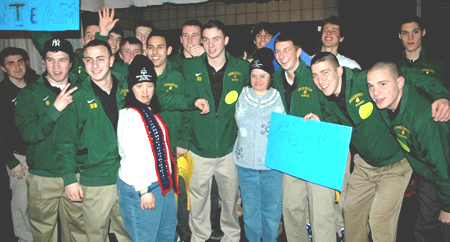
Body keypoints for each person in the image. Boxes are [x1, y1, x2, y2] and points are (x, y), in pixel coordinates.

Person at [308, 52, 450, 242]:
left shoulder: (364, 81)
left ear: (339, 71)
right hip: (364, 164)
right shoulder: (325, 96)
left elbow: (409, 75)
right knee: (350, 213)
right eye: (315, 75)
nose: (320, 80)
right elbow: (335, 121)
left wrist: (441, 95)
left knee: (379, 221)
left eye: (325, 72)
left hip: (395, 165)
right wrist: (320, 121)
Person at [181, 19, 249, 242]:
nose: (211, 45)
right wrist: (193, 101)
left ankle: (231, 237)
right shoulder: (189, 67)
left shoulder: (242, 68)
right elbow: (179, 99)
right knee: (198, 201)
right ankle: (199, 237)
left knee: (230, 201)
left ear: (226, 40)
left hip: (229, 149)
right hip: (199, 149)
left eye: (216, 39)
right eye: (206, 40)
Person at [366, 61, 450, 241]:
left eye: (382, 84)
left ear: (400, 83)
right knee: (425, 228)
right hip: (428, 174)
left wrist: (447, 207)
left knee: (445, 228)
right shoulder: (387, 104)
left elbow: (444, 168)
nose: (376, 93)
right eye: (371, 86)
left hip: (444, 175)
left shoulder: (422, 119)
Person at [56, 39, 131, 242]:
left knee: (129, 232)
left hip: (127, 177)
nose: (95, 65)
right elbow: (65, 141)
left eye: (100, 59)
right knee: (95, 235)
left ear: (112, 60)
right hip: (95, 179)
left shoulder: (127, 90)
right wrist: (69, 179)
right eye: (89, 60)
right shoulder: (76, 96)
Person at [14, 39, 84, 242]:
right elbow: (29, 134)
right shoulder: (29, 94)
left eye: (62, 60)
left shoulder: (82, 92)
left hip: (76, 173)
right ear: (43, 62)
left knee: (78, 232)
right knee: (43, 234)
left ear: (71, 63)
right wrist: (54, 110)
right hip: (42, 177)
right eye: (50, 60)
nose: (56, 66)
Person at [146, 30, 210, 242]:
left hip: (175, 149)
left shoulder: (177, 76)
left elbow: (188, 113)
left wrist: (183, 141)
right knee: (155, 196)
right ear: (146, 50)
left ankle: (184, 234)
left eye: (160, 47)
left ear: (169, 50)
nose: (155, 52)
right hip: (149, 152)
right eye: (151, 47)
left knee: (180, 195)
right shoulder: (140, 78)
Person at [272, 32, 335, 242]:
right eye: (278, 51)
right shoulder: (277, 79)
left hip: (317, 149)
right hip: (291, 151)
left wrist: (321, 119)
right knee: (291, 208)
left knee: (321, 212)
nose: (282, 55)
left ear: (298, 52)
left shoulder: (314, 76)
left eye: (287, 50)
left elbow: (333, 107)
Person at [117, 54, 179, 241]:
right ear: (131, 88)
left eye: (149, 85)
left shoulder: (149, 110)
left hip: (160, 183)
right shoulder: (131, 117)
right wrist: (144, 191)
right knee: (145, 238)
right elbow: (133, 157)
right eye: (139, 86)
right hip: (142, 187)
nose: (145, 91)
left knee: (166, 235)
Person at [233, 47, 284, 241]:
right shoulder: (242, 95)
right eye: (254, 76)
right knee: (251, 212)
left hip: (272, 166)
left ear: (270, 77)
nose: (258, 80)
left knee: (271, 212)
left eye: (263, 76)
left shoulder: (279, 97)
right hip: (245, 165)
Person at [0, 47, 39, 242]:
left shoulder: (37, 85)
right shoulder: (2, 94)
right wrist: (10, 161)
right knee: (21, 203)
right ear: (3, 68)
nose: (17, 66)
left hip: (41, 155)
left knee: (40, 204)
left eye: (20, 61)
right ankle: (24, 239)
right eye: (10, 63)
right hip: (19, 158)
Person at [396, 15, 449, 89]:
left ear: (423, 32)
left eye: (415, 32)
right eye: (405, 33)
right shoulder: (392, 66)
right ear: (399, 35)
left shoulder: (439, 64)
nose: (410, 37)